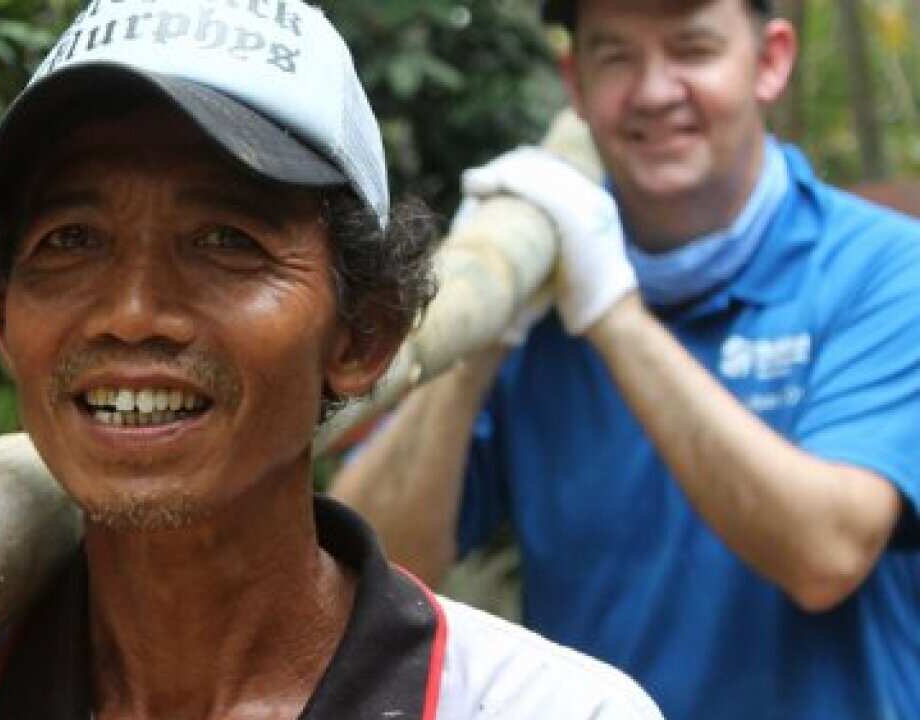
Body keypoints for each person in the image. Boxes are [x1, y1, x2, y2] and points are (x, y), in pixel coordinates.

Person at [0, 1, 664, 718]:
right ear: (4, 322)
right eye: (70, 242)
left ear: (363, 334)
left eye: (226, 241)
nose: (129, 313)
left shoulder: (547, 709)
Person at [332, 0, 920, 718]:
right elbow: (365, 574)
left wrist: (612, 312)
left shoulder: (885, 271)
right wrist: (483, 331)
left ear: (769, 61)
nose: (653, 90)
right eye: (616, 57)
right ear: (575, 82)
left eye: (693, 50)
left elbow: (827, 555)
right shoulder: (544, 288)